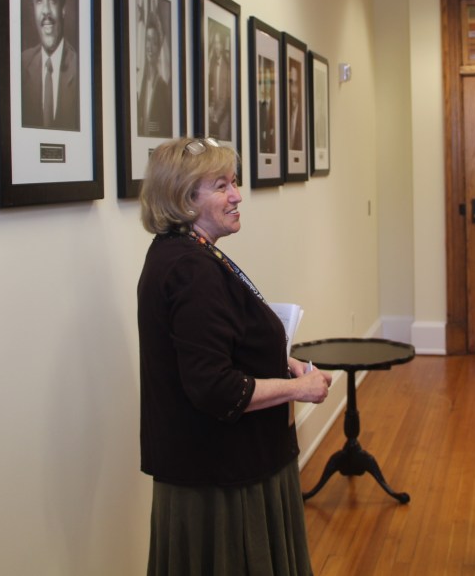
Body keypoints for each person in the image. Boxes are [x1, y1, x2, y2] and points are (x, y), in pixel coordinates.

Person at [137, 136, 332, 576]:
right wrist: (300, 388)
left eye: (235, 182)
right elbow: (215, 388)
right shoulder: (191, 270)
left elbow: (220, 349)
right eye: (222, 186)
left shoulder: (186, 255)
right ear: (186, 198)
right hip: (220, 479)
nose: (237, 195)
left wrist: (282, 365)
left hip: (223, 465)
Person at [20, 0, 80, 131]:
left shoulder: (80, 70)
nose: (45, 10)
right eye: (39, 0)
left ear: (63, 7)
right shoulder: (21, 65)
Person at [137, 13, 172, 137]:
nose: (150, 48)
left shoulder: (162, 86)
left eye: (154, 43)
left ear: (159, 48)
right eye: (148, 40)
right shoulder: (140, 83)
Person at [207, 26, 232, 141]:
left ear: (222, 45)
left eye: (219, 43)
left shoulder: (227, 67)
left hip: (223, 116)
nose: (217, 46)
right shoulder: (213, 64)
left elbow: (226, 97)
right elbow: (212, 89)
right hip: (214, 114)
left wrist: (217, 115)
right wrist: (211, 107)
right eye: (215, 43)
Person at [287, 61, 303, 151]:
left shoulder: (303, 117)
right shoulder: (284, 115)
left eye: (296, 84)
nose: (293, 90)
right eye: (291, 84)